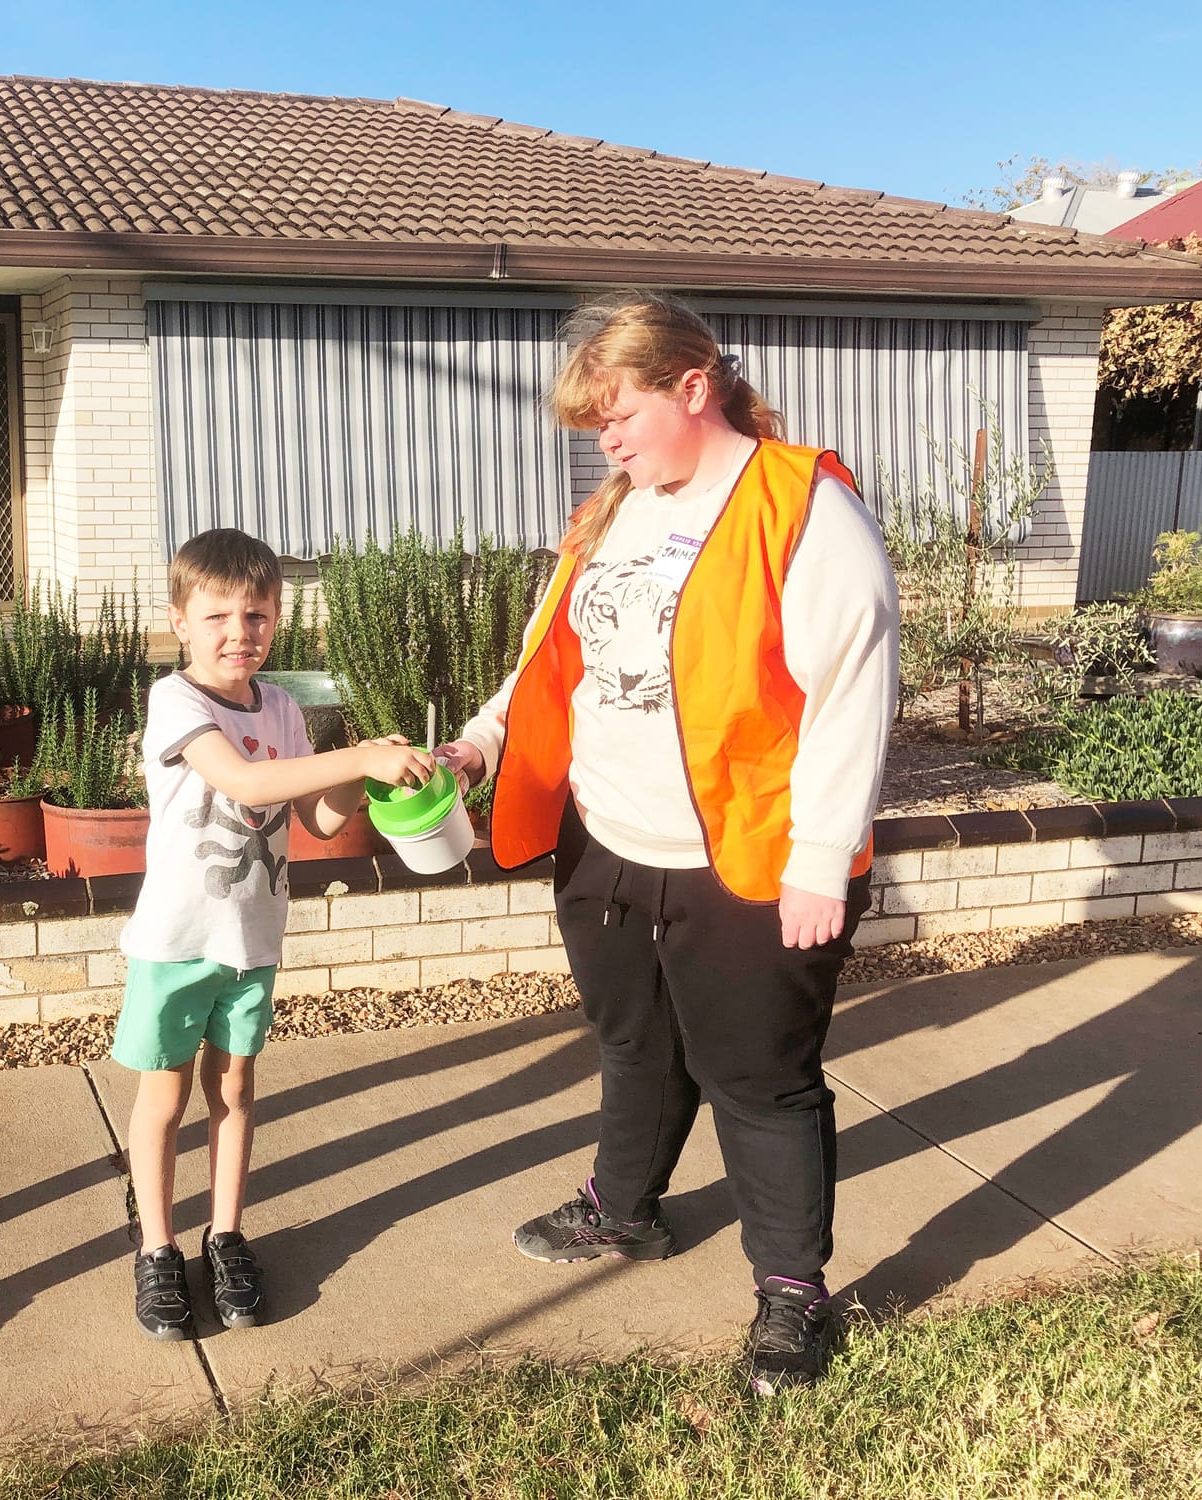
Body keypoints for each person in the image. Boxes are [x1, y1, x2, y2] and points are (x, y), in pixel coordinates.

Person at [435, 293, 899, 1395]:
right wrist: (480, 740)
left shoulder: (800, 504)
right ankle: (623, 1210)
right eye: (593, 420)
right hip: (604, 844)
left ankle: (791, 1294)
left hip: (746, 856)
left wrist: (817, 858)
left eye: (617, 411)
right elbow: (557, 651)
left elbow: (852, 691)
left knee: (757, 1077)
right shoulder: (615, 510)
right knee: (633, 1048)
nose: (604, 437)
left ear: (693, 387)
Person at [115, 529, 434, 1339]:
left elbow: (316, 818)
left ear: (278, 619)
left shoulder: (283, 708)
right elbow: (247, 782)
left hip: (253, 940)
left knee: (234, 1092)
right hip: (178, 941)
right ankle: (158, 1249)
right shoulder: (177, 702)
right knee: (167, 1097)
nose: (238, 633)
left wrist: (363, 779)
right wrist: (355, 751)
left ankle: (225, 1235)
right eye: (217, 615)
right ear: (179, 621)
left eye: (256, 615)